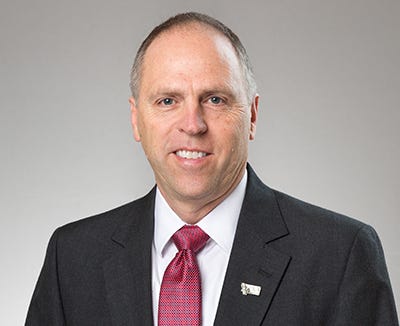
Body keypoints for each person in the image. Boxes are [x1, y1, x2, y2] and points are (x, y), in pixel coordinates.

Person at [26, 12, 398, 326]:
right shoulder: (72, 258)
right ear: (137, 119)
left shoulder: (340, 255)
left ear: (251, 116)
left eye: (215, 99)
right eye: (168, 100)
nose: (193, 124)